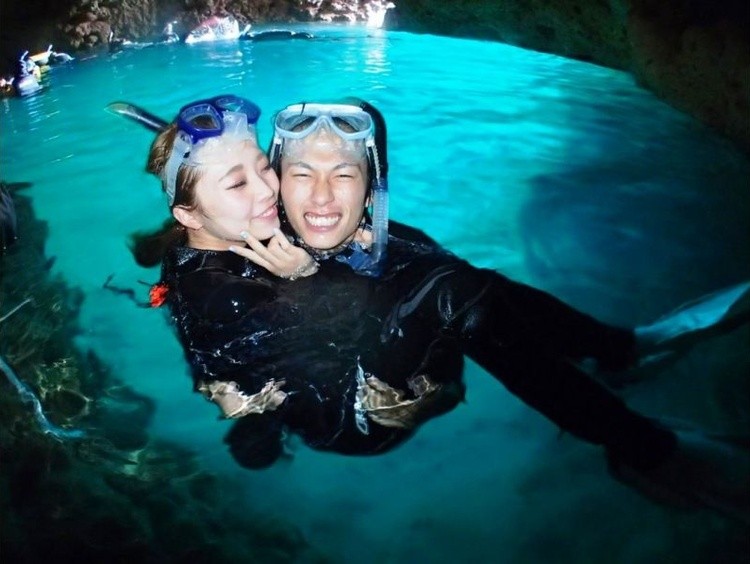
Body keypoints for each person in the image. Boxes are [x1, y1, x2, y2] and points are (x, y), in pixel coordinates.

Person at [131, 96, 749, 522]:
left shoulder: (229, 223)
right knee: (459, 295)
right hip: (353, 412)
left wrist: (230, 173)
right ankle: (647, 452)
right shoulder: (220, 289)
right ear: (187, 213)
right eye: (239, 183)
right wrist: (305, 279)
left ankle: (616, 350)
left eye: (264, 168)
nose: (268, 188)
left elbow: (227, 192)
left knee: (430, 259)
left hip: (323, 353)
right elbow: (314, 347)